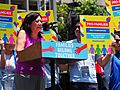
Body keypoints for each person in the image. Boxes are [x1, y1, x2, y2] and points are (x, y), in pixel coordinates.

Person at [15, 12, 45, 90]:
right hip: (25, 73)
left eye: (41, 21)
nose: (40, 23)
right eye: (37, 21)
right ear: (30, 23)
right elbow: (19, 52)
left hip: (39, 73)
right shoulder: (23, 33)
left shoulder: (42, 38)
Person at [68, 22, 98, 90]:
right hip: (76, 81)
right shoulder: (69, 44)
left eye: (80, 27)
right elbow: (64, 66)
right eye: (76, 28)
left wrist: (110, 50)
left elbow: (102, 63)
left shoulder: (94, 43)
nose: (77, 29)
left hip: (91, 81)